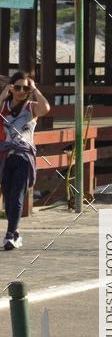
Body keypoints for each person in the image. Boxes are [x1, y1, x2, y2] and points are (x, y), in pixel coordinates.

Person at [0, 70, 50, 250]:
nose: (22, 91)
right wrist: (4, 92)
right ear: (12, 88)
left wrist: (35, 89)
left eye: (25, 88)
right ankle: (16, 232)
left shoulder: (31, 107)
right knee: (7, 194)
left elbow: (46, 109)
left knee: (17, 195)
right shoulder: (4, 105)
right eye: (18, 87)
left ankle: (10, 234)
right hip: (5, 156)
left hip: (23, 155)